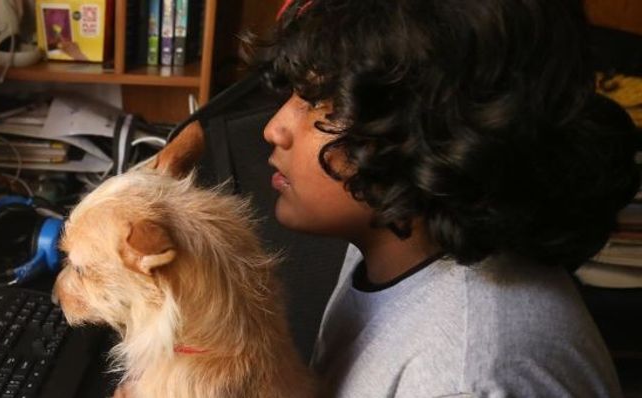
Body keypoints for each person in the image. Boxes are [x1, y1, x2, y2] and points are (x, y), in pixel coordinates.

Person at [155, 0, 637, 395]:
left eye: (324, 101)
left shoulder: (463, 376)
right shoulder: (396, 241)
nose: (274, 128)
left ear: (436, 131)